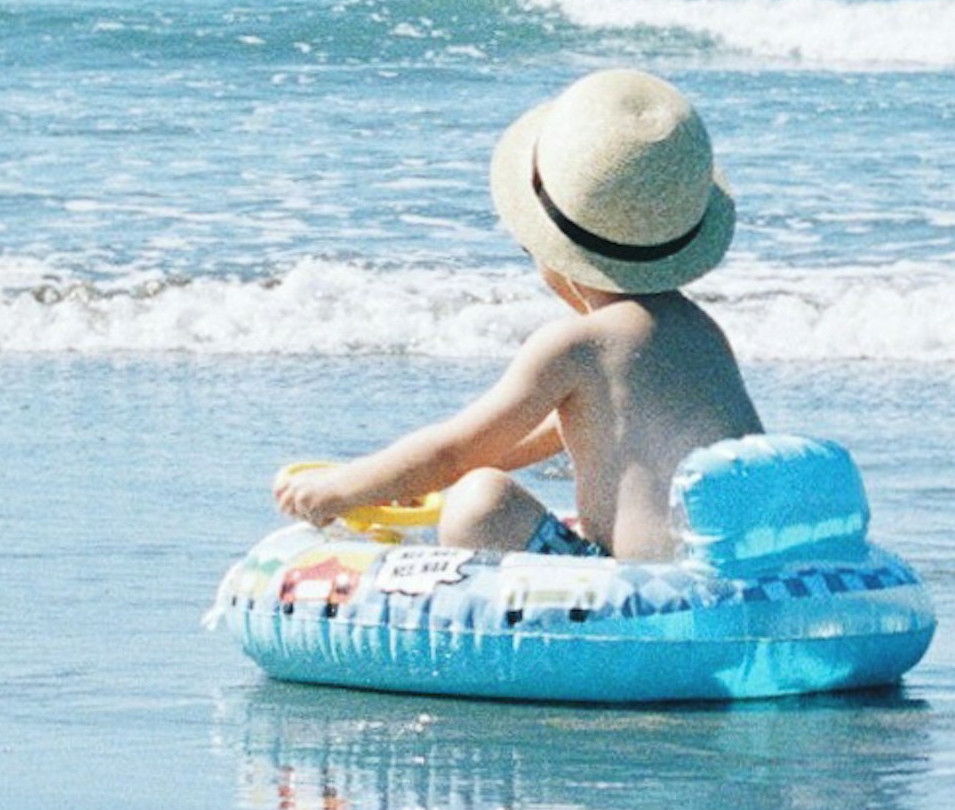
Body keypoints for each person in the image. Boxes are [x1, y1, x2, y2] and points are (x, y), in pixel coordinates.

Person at [272, 69, 763, 562]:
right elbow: (542, 434)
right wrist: (395, 483)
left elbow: (454, 452)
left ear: (554, 254)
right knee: (470, 479)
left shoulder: (578, 346)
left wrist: (338, 489)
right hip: (741, 586)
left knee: (478, 501)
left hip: (648, 600)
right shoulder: (703, 332)